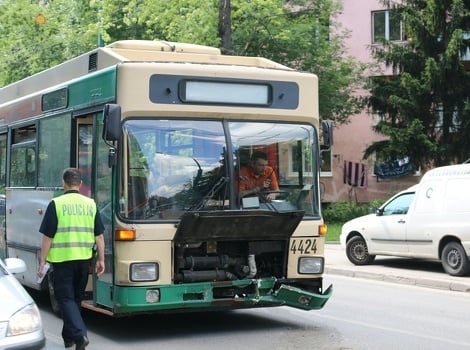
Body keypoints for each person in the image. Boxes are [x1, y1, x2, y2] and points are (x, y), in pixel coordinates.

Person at [38, 168, 105, 350]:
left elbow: (47, 237)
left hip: (62, 261)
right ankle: (69, 338)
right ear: (80, 184)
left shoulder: (56, 204)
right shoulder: (90, 204)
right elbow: (99, 236)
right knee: (75, 299)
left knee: (66, 299)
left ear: (63, 183)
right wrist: (101, 259)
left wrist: (42, 260)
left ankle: (80, 335)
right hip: (84, 260)